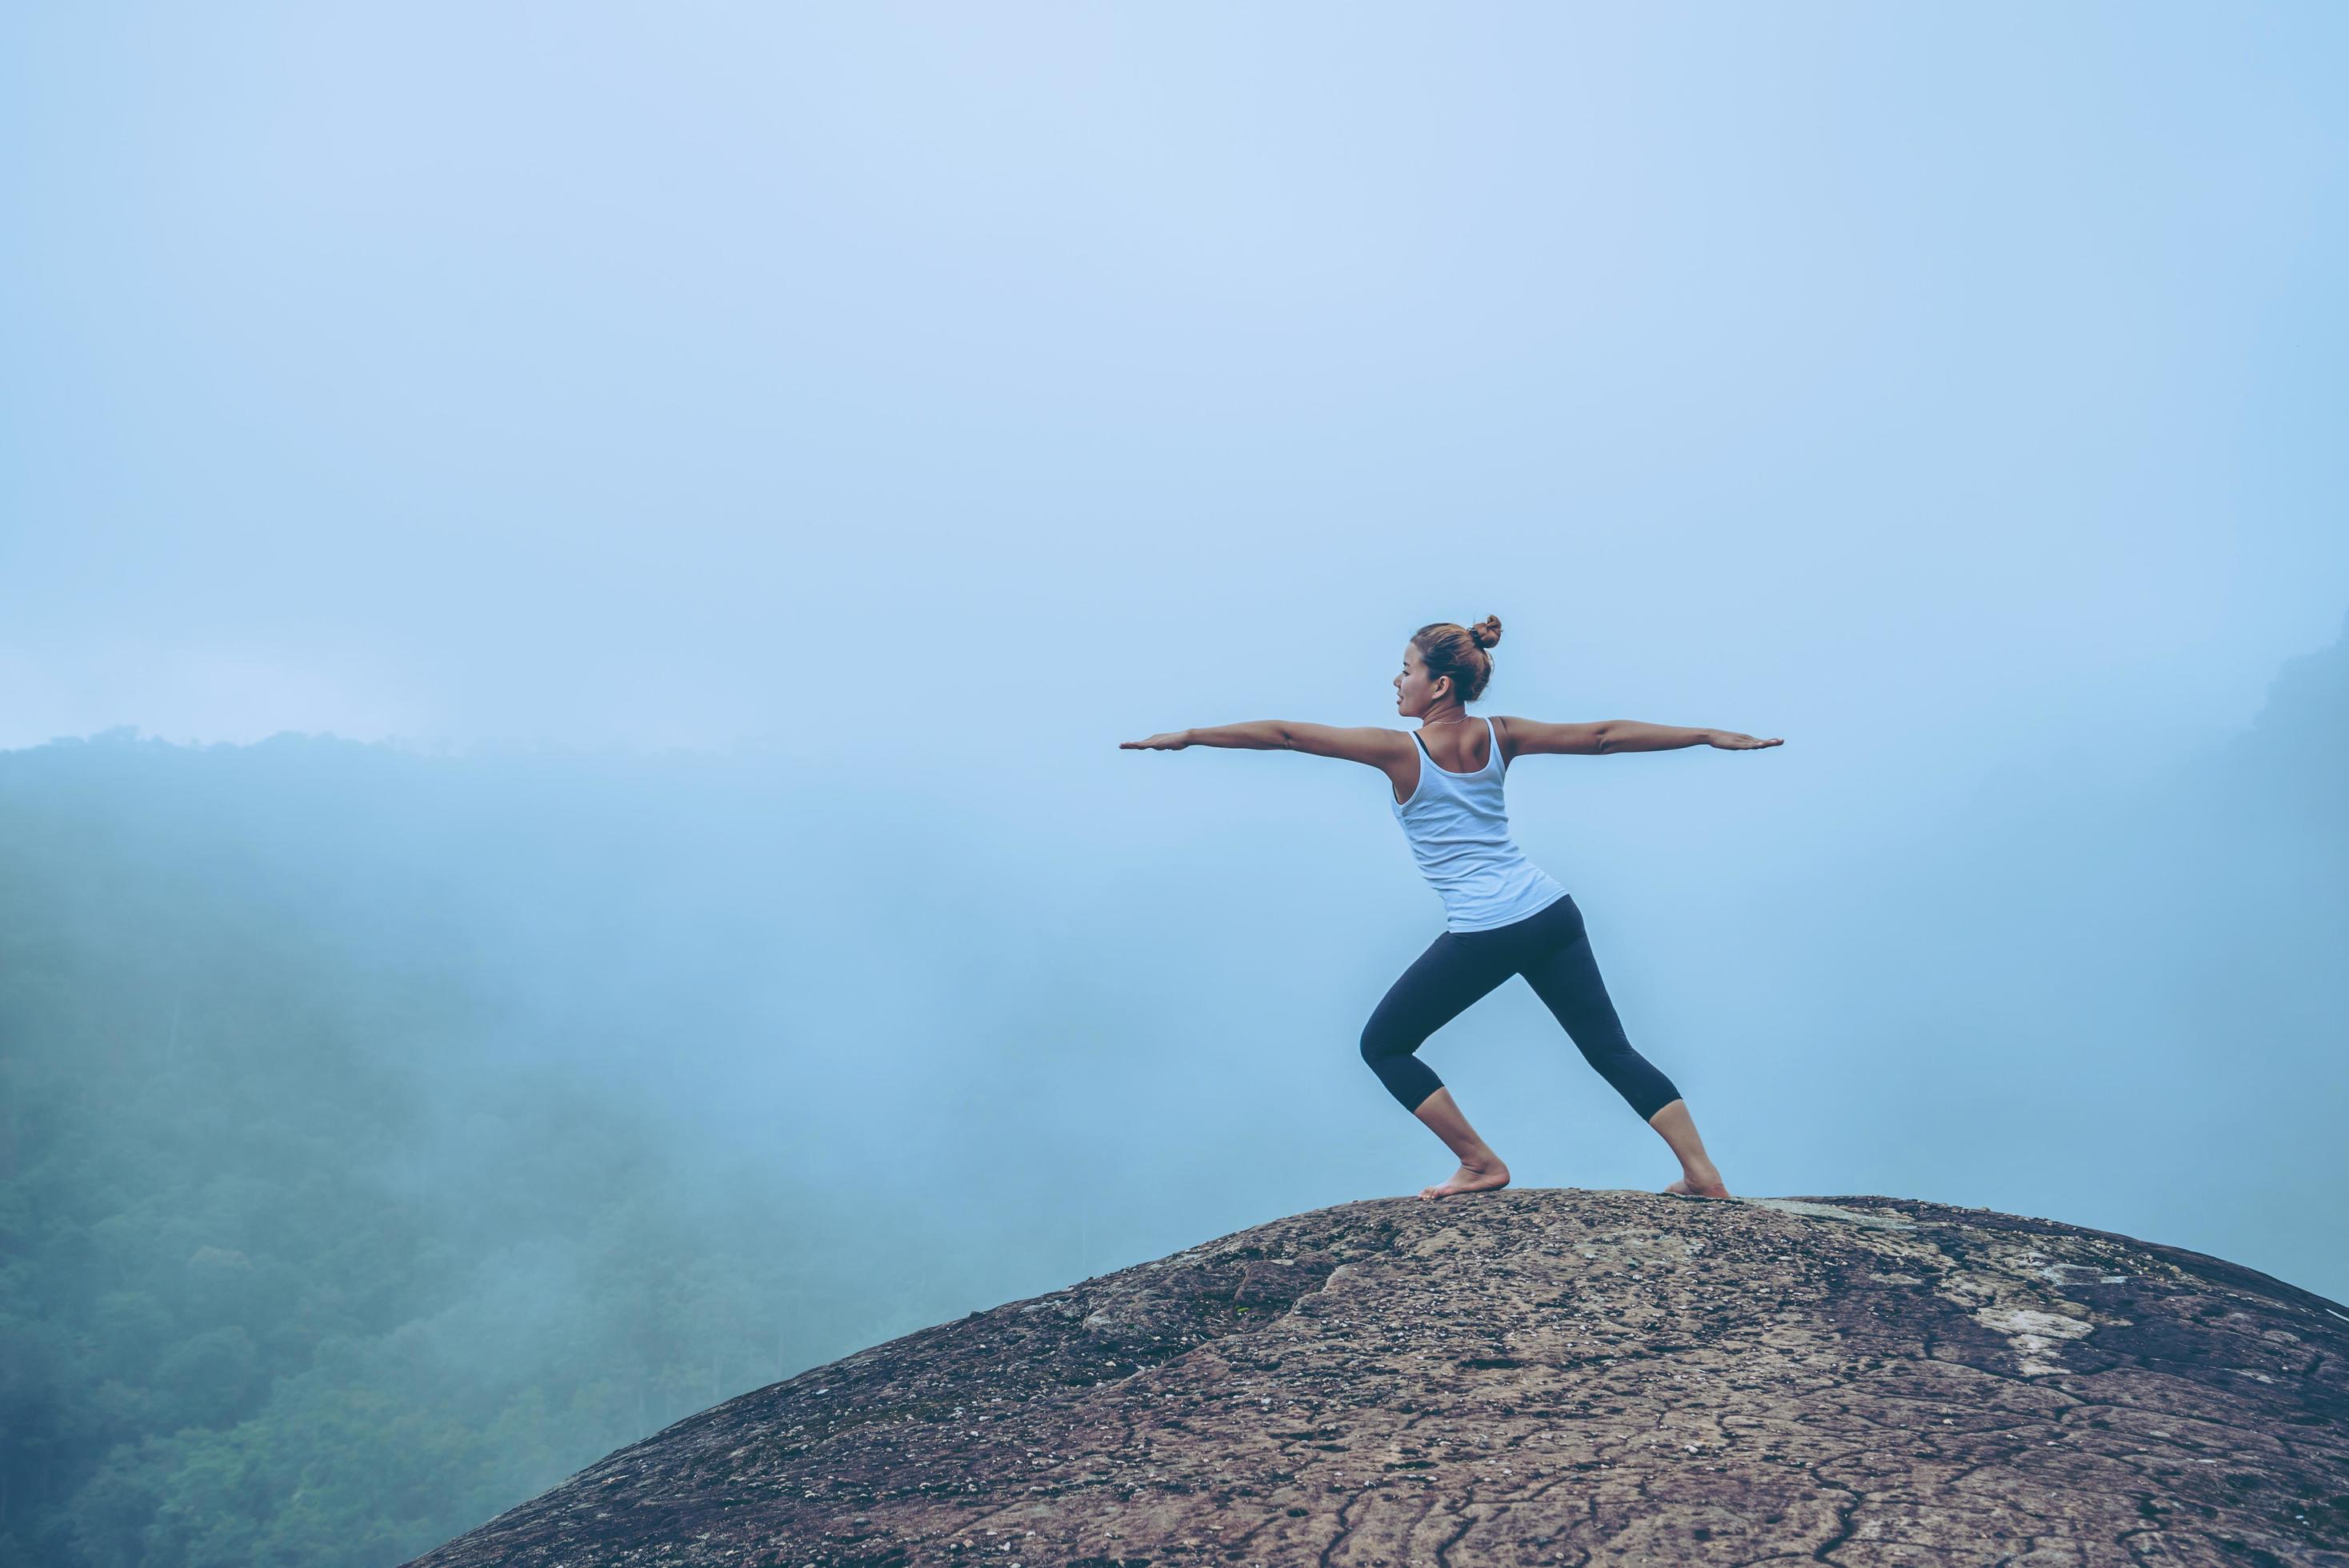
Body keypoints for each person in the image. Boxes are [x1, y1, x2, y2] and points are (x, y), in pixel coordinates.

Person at [1120, 614, 1782, 1201]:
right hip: (1550, 911)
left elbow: (1289, 734)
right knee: (1609, 1049)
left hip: (1490, 930)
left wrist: (1190, 735)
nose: (1396, 682)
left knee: (1384, 1045)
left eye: (1406, 670)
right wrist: (1705, 734)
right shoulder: (1502, 735)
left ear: (1439, 684)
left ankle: (1479, 1163)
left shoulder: (1398, 751)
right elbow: (1605, 735)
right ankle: (1702, 1174)